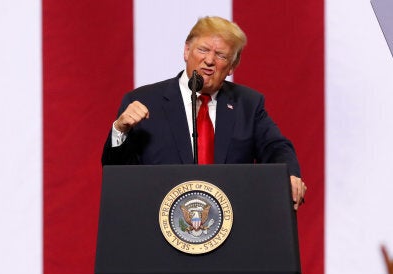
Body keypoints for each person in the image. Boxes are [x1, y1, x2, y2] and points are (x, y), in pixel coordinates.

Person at [102, 16, 306, 209]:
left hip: (230, 225)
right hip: (158, 223)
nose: (209, 60)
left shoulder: (248, 104)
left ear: (232, 66)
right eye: (203, 49)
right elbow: (116, 176)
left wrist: (289, 175)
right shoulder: (144, 101)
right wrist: (120, 130)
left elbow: (276, 147)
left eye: (221, 55)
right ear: (186, 51)